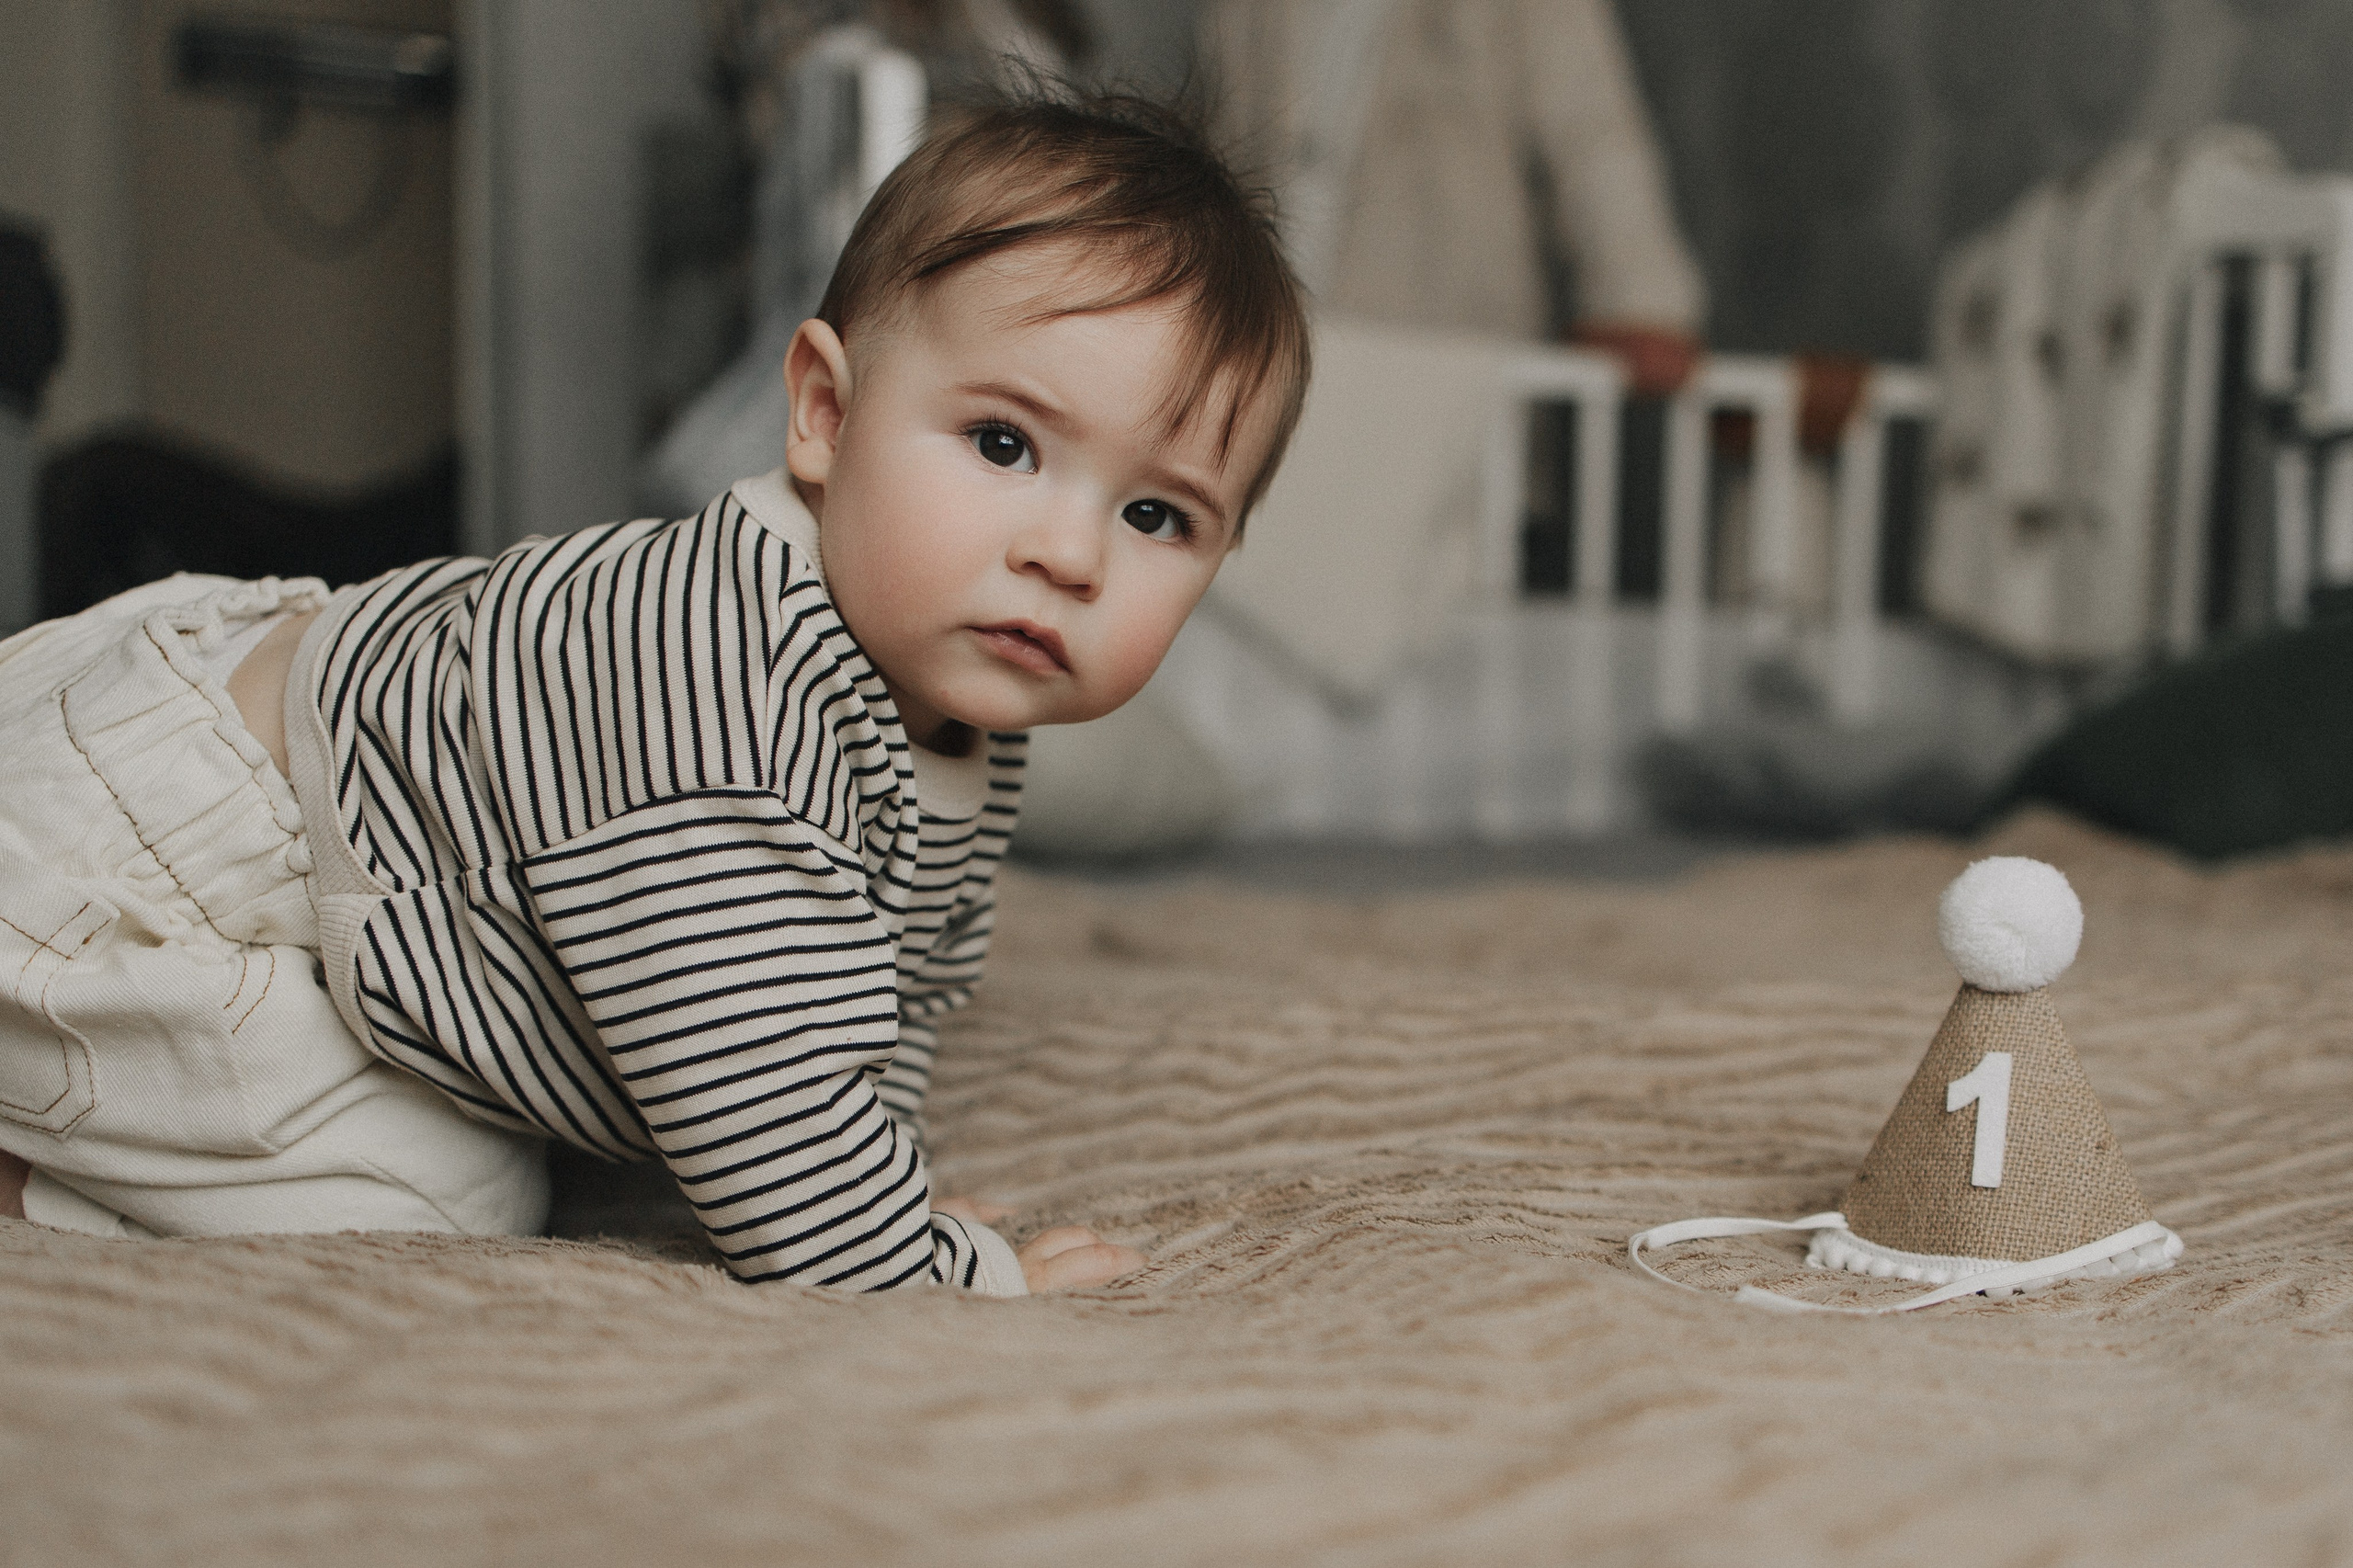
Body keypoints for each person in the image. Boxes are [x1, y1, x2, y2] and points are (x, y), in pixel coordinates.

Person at [0, 90, 1311, 1297]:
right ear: (822, 415)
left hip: (306, 814)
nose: (1068, 554)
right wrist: (919, 1266)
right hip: (158, 842)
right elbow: (765, 1114)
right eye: (1004, 444)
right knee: (437, 1205)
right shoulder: (723, 704)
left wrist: (883, 1183)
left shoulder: (947, 704)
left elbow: (874, 995)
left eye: (1155, 513)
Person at [1199, 0, 1705, 392]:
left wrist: (1642, 301)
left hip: (1440, 352)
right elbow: (1221, 143)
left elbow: (1592, 132)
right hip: (1267, 348)